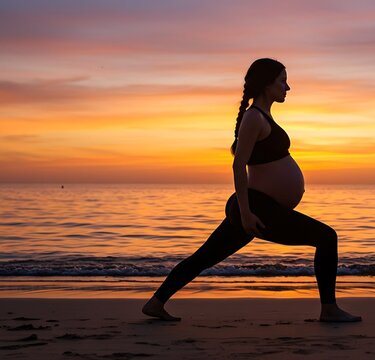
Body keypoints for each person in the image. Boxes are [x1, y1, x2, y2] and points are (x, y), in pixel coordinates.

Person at [142, 58, 362, 322]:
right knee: (327, 238)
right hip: (255, 208)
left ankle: (156, 303)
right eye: (283, 81)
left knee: (205, 256)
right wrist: (246, 214)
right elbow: (238, 166)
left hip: (259, 207)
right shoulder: (254, 117)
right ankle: (329, 310)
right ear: (267, 84)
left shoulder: (263, 116)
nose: (287, 88)